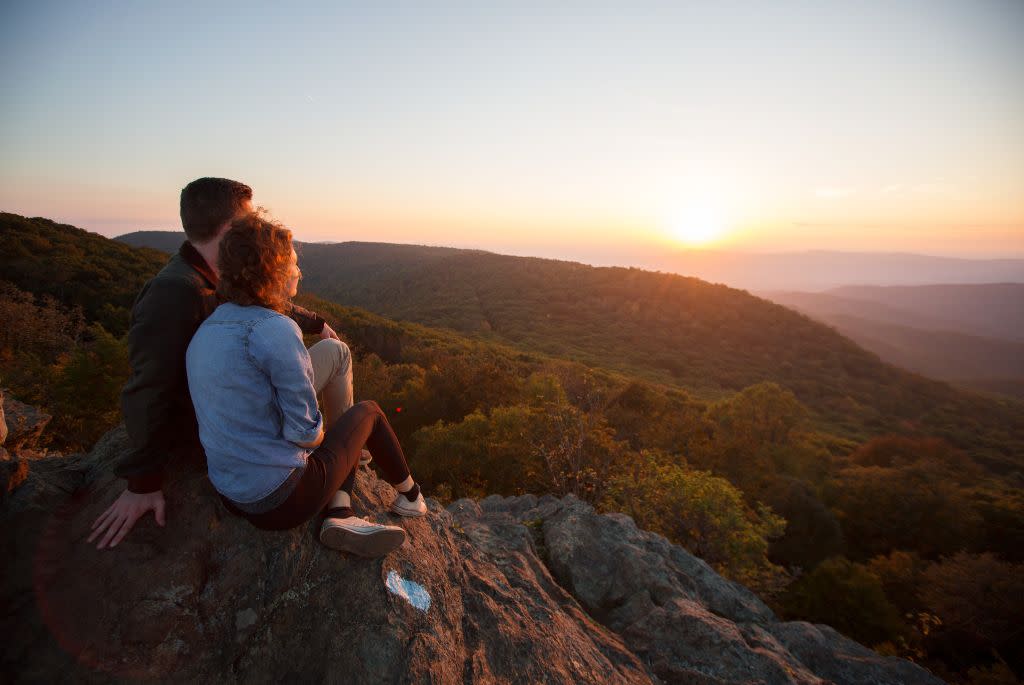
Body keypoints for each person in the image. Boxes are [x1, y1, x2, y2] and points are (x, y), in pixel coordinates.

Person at [89, 178, 347, 549]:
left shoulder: (212, 274)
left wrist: (315, 322)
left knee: (331, 352)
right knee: (335, 366)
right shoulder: (175, 292)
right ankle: (340, 454)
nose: (255, 226)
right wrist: (142, 482)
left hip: (238, 416)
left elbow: (256, 298)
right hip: (229, 437)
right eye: (248, 220)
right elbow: (147, 387)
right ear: (229, 230)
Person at [185, 212, 426, 557]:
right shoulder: (276, 329)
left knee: (335, 352)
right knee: (368, 413)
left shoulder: (210, 325)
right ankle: (410, 498)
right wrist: (339, 439)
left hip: (231, 491)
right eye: (294, 265)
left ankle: (340, 508)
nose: (299, 272)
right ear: (273, 273)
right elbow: (304, 434)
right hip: (282, 500)